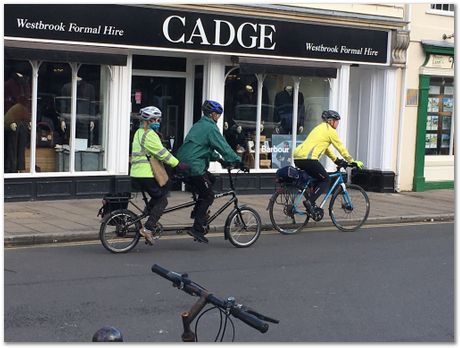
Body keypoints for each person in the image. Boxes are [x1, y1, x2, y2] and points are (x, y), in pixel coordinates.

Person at [176, 100, 242, 243]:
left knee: (211, 179)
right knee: (208, 195)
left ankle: (197, 211)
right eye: (218, 115)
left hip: (183, 165)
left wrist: (219, 160)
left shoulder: (199, 125)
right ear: (212, 114)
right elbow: (223, 146)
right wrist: (237, 160)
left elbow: (201, 148)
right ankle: (197, 228)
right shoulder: (210, 127)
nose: (218, 117)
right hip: (195, 167)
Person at [130, 106, 189, 245]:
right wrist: (178, 164)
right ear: (148, 121)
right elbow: (162, 153)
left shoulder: (139, 132)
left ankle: (148, 213)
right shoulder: (149, 134)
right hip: (146, 173)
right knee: (163, 200)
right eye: (155, 119)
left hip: (137, 172)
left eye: (158, 119)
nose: (158, 122)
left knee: (159, 194)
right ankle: (148, 228)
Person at [293, 110, 364, 217]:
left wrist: (336, 160)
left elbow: (326, 149)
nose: (338, 124)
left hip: (298, 158)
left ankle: (311, 202)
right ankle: (310, 202)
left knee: (317, 178)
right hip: (309, 159)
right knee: (326, 179)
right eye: (337, 121)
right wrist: (351, 161)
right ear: (331, 121)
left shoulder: (319, 128)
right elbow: (340, 147)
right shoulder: (330, 131)